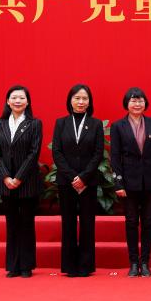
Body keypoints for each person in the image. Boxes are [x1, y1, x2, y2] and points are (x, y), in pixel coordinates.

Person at [110, 87, 151, 278]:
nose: (137, 104)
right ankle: (134, 263)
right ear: (127, 104)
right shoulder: (118, 126)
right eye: (133, 100)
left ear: (145, 103)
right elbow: (115, 157)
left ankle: (145, 262)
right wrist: (118, 183)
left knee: (148, 222)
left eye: (140, 100)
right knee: (131, 222)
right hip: (128, 183)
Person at [52, 84, 104, 278]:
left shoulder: (96, 124)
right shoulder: (61, 123)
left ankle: (85, 266)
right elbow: (56, 152)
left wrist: (83, 177)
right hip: (66, 182)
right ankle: (70, 266)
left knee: (87, 223)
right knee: (68, 223)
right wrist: (72, 176)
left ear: (89, 102)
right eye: (77, 98)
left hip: (88, 182)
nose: (81, 102)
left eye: (84, 98)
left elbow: (98, 153)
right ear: (70, 101)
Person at [0, 85, 43, 279]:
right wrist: (6, 177)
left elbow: (33, 153)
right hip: (6, 183)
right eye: (14, 97)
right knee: (11, 224)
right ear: (8, 101)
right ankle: (13, 265)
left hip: (26, 182)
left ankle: (26, 266)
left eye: (21, 98)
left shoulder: (34, 124)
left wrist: (18, 178)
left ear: (27, 102)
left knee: (27, 224)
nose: (18, 101)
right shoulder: (0, 124)